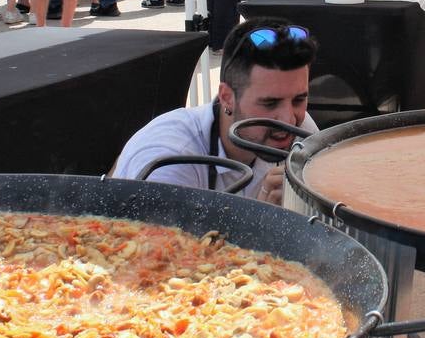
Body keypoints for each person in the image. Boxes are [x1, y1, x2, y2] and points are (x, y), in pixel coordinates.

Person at [110, 19, 318, 203]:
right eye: (270, 103)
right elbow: (159, 245)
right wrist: (265, 217)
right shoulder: (171, 161)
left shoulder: (301, 129)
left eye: (299, 99)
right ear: (226, 97)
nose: (288, 118)